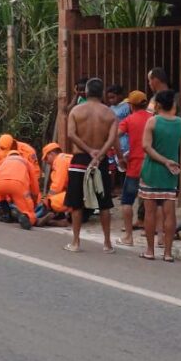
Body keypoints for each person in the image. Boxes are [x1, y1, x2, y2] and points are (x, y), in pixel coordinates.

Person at [65, 77, 119, 253]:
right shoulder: (110, 114)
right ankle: (107, 243)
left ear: (86, 92)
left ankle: (75, 242)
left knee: (76, 203)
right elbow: (112, 138)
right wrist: (100, 153)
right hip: (100, 162)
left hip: (80, 160)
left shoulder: (76, 111)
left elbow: (71, 134)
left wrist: (89, 151)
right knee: (104, 203)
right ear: (102, 93)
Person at [140, 89, 181, 261]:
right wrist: (168, 161)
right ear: (173, 104)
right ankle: (168, 253)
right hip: (171, 171)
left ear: (157, 104)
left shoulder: (152, 121)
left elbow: (146, 147)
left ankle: (150, 251)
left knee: (150, 212)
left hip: (152, 170)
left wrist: (163, 160)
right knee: (169, 212)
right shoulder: (179, 122)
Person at [115, 91, 152, 247]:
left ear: (131, 105)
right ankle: (161, 238)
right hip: (151, 166)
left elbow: (115, 136)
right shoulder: (153, 119)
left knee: (127, 201)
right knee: (154, 202)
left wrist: (120, 157)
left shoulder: (129, 120)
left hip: (134, 166)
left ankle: (129, 237)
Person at [0, 148, 40, 229]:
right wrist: (34, 198)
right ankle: (27, 218)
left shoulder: (3, 161)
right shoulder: (25, 162)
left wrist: (6, 198)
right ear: (19, 155)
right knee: (28, 211)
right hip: (18, 185)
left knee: (0, 196)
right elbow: (34, 183)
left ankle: (7, 214)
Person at [38, 142, 72, 226]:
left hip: (79, 196)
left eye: (46, 158)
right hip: (84, 194)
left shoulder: (60, 160)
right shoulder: (66, 158)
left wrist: (47, 200)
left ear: (52, 154)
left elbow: (57, 186)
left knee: (51, 202)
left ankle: (60, 219)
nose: (46, 161)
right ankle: (63, 219)